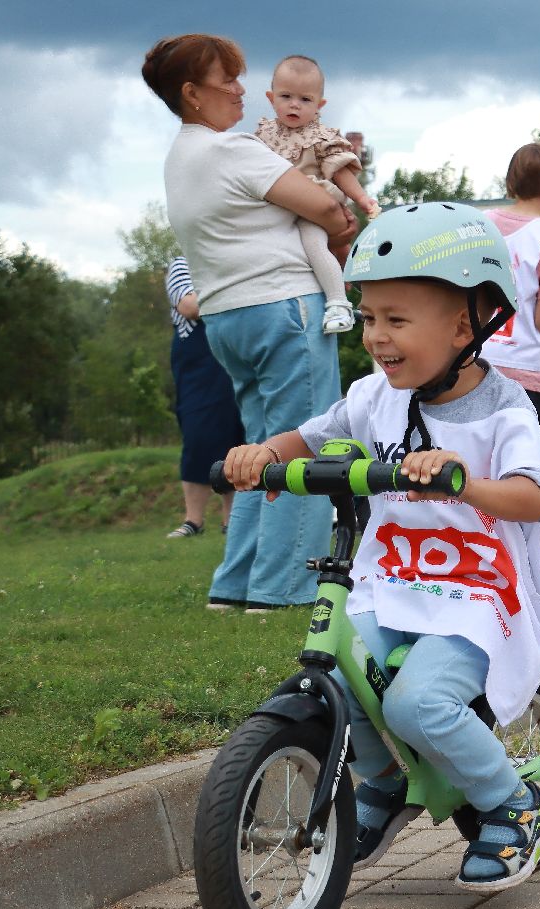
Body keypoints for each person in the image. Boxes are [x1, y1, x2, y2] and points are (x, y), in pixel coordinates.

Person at [220, 202, 540, 889]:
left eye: (397, 320)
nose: (377, 337)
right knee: (342, 679)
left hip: (477, 593)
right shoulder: (374, 397)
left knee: (415, 704)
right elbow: (313, 438)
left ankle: (517, 805)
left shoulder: (504, 409)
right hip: (394, 580)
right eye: (370, 318)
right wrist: (264, 454)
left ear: (468, 324)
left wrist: (464, 484)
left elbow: (534, 496)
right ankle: (380, 785)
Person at [145, 34, 355, 612]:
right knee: (305, 444)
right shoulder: (232, 150)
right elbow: (331, 211)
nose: (241, 89)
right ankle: (284, 589)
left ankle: (235, 584)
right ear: (192, 93)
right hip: (284, 307)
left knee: (254, 452)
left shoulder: (179, 158)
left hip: (226, 319)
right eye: (227, 80)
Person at [254, 55, 380, 335]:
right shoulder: (264, 134)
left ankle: (338, 303)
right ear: (271, 97)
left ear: (320, 105)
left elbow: (340, 172)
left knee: (313, 244)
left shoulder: (321, 137)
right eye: (286, 96)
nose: (295, 104)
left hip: (311, 205)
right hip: (275, 206)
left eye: (305, 99)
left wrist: (362, 199)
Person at [479, 143, 540, 451]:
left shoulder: (477, 227)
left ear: (510, 182)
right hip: (525, 368)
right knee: (532, 467)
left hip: (474, 360)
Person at [163, 256, 242, 538]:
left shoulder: (229, 259)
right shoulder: (182, 265)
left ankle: (232, 521)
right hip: (199, 368)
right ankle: (193, 520)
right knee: (199, 437)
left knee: (238, 437)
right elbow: (190, 307)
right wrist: (233, 294)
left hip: (234, 356)